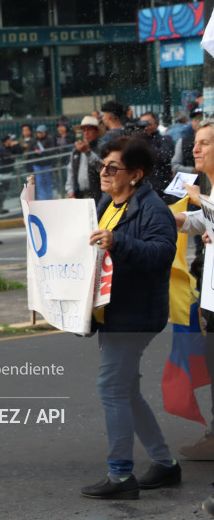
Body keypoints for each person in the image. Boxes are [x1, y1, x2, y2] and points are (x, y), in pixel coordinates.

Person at [81, 136, 180, 500]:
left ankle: (121, 476)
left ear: (136, 175)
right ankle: (165, 464)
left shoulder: (154, 210)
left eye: (113, 168)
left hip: (134, 314)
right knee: (128, 391)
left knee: (111, 389)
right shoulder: (108, 201)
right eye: (102, 166)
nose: (104, 173)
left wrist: (117, 243)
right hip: (112, 311)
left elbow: (161, 255)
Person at [174, 118, 214, 460]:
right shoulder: (209, 190)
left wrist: (198, 198)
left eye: (204, 143)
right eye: (195, 142)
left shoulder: (206, 192)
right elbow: (204, 222)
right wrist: (175, 217)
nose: (195, 149)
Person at [65, 116, 104, 202]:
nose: (86, 133)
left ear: (97, 132)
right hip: (80, 196)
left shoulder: (102, 148)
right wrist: (70, 190)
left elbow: (101, 168)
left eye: (89, 130)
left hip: (98, 196)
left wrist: (88, 153)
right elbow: (71, 171)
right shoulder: (76, 151)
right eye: (84, 130)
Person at [137, 112, 174, 193]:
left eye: (148, 124)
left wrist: (146, 141)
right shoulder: (136, 141)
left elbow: (164, 157)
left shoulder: (165, 139)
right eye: (142, 124)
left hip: (159, 188)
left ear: (156, 124)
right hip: (140, 187)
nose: (145, 127)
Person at [32, 124, 56, 200]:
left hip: (47, 164)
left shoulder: (49, 139)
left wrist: (43, 152)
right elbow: (31, 150)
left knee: (48, 182)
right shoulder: (35, 140)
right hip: (38, 165)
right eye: (38, 132)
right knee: (39, 183)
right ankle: (42, 199)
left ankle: (49, 198)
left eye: (41, 132)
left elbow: (52, 150)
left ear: (45, 132)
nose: (39, 134)